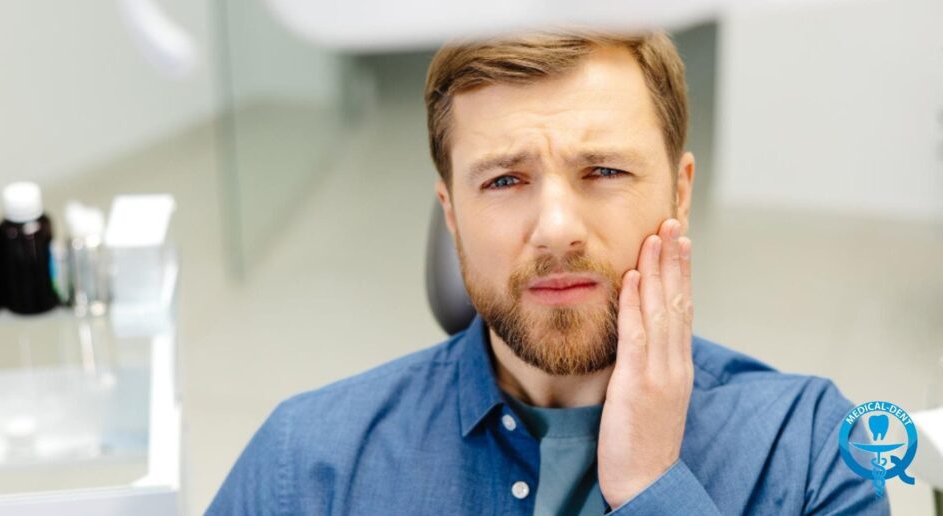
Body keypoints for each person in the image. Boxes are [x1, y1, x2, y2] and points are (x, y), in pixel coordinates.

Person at [207, 30, 888, 515]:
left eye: (604, 171)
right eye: (505, 180)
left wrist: (654, 489)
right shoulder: (307, 466)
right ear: (450, 212)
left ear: (680, 192)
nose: (556, 226)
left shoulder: (811, 452)